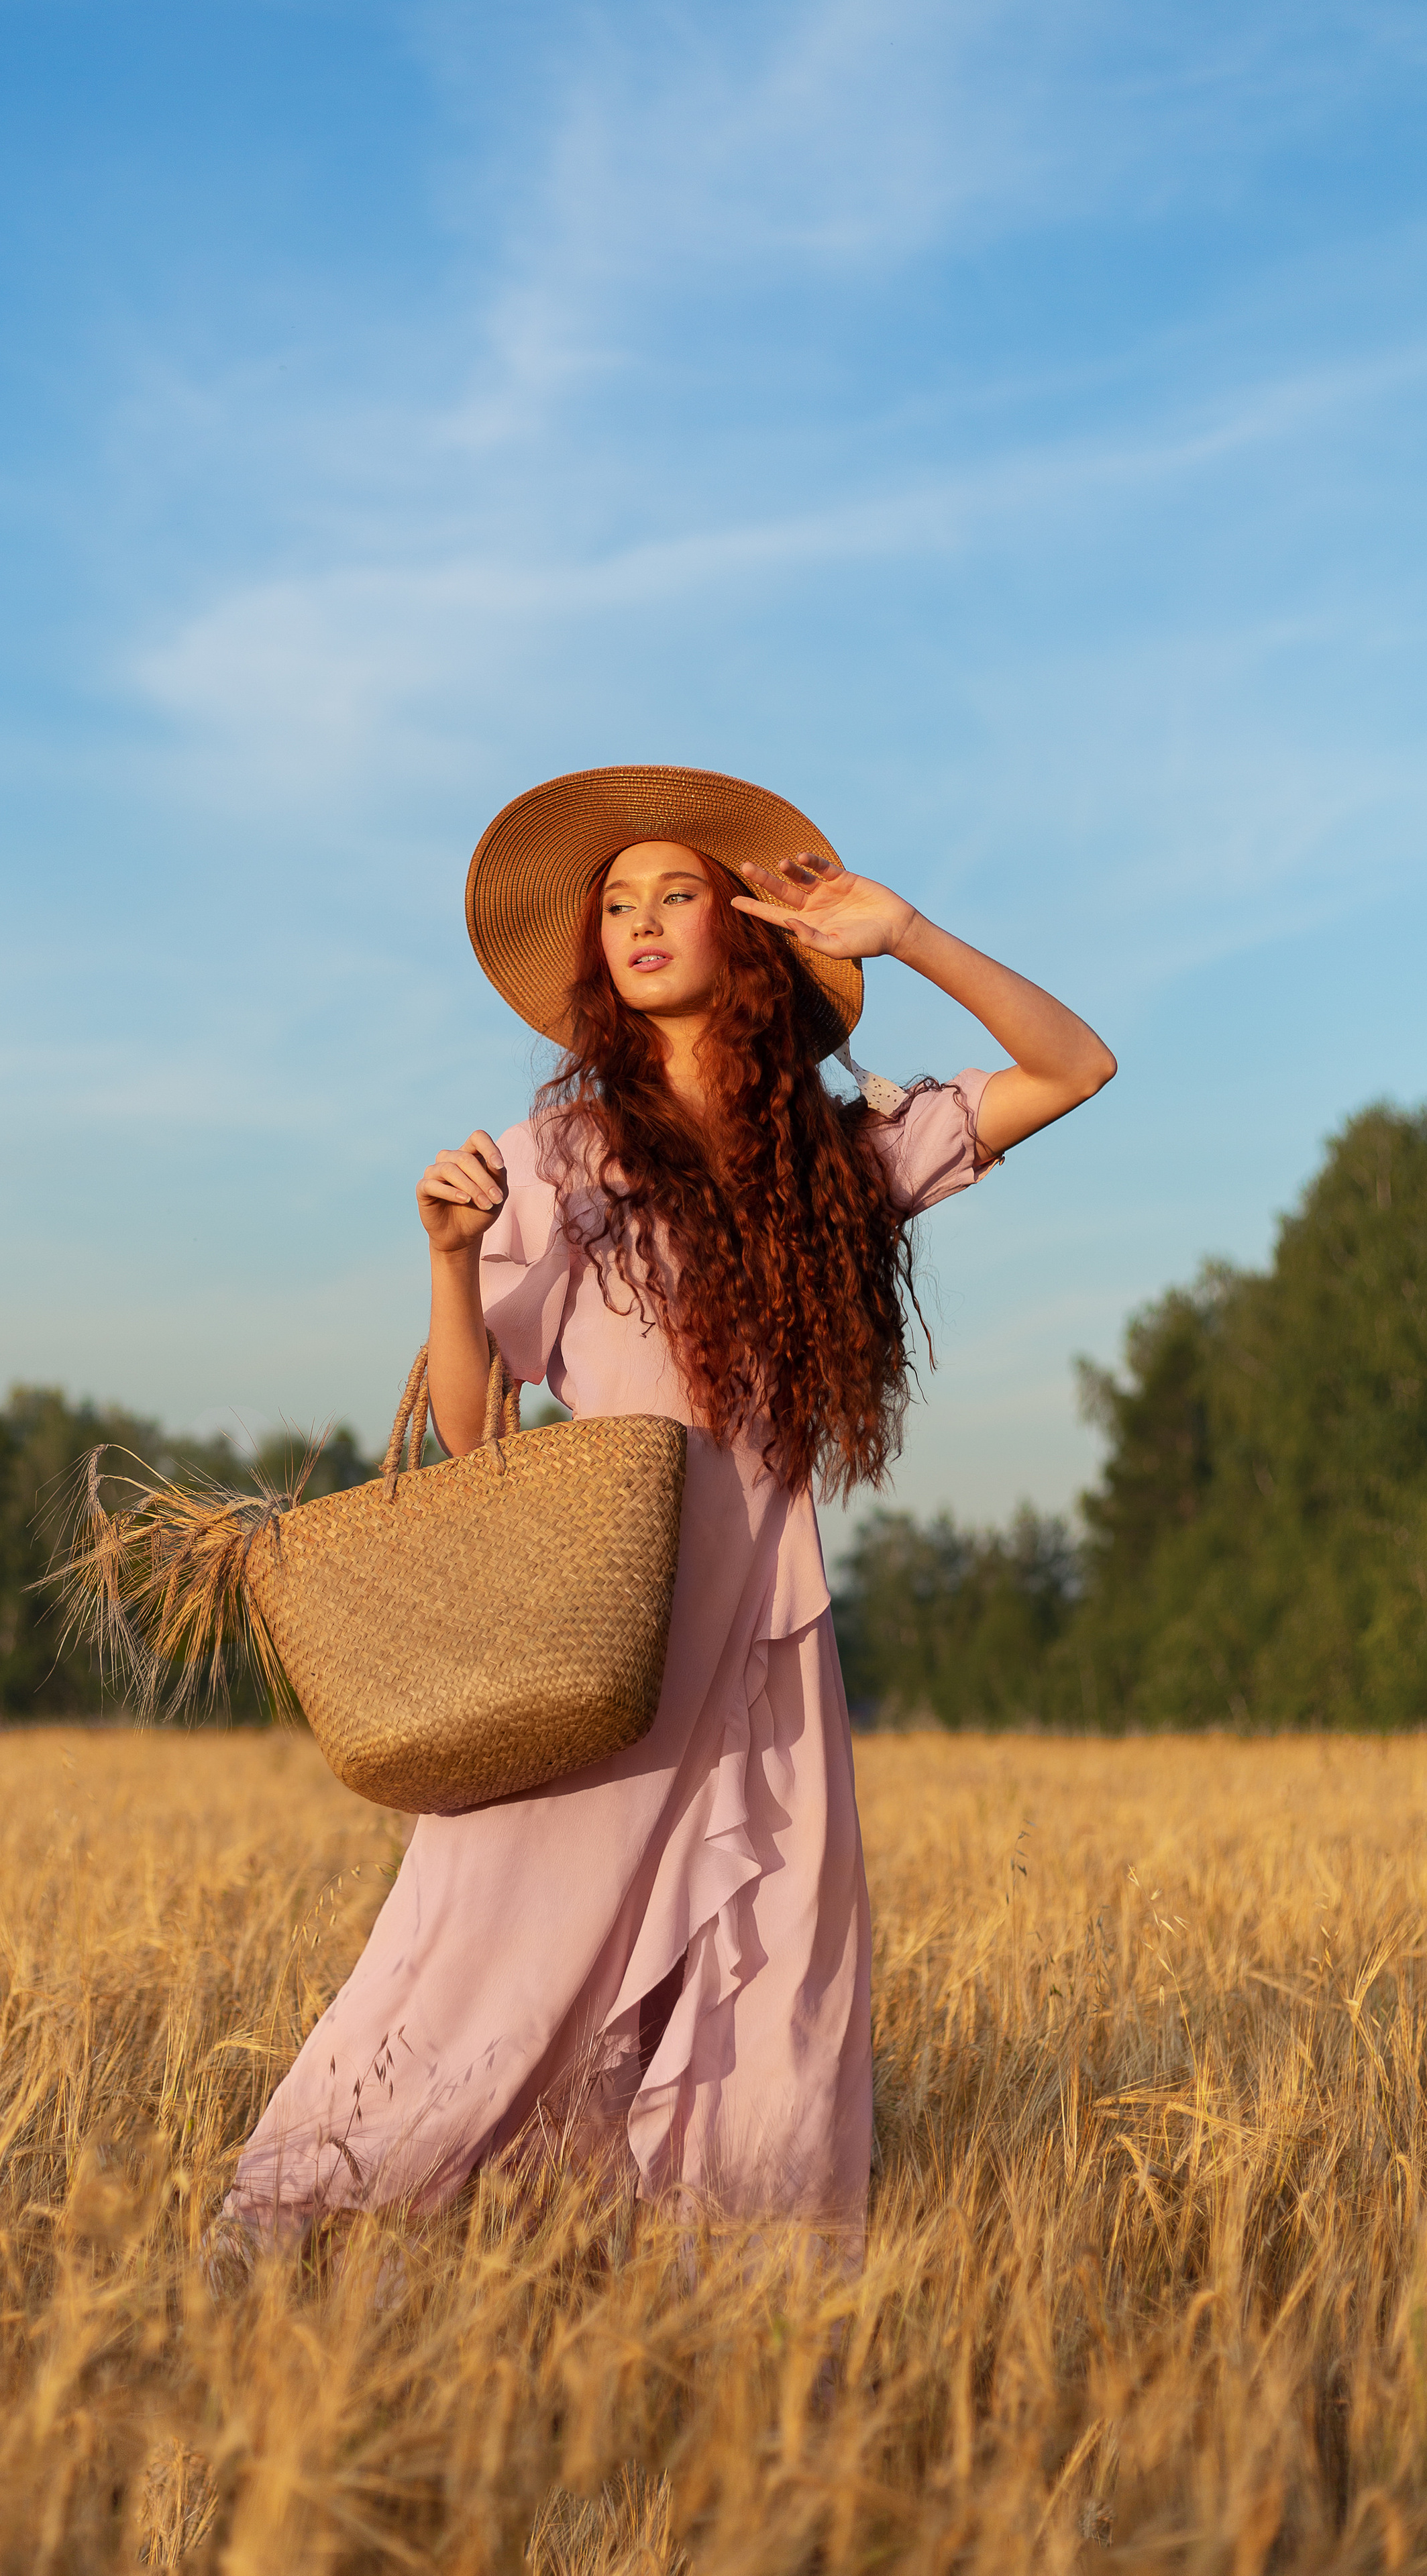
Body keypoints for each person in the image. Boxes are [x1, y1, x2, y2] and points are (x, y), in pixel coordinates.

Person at [221, 765, 1115, 2251]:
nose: (636, 921)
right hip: (601, 1629)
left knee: (775, 1976)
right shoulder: (567, 1152)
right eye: (616, 904)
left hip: (768, 1629)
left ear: (744, 931)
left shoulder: (833, 1159)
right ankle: (285, 2250)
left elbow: (1072, 1064)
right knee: (483, 1960)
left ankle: (736, 2332)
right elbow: (466, 1426)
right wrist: (448, 1255)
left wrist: (903, 935)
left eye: (673, 893)